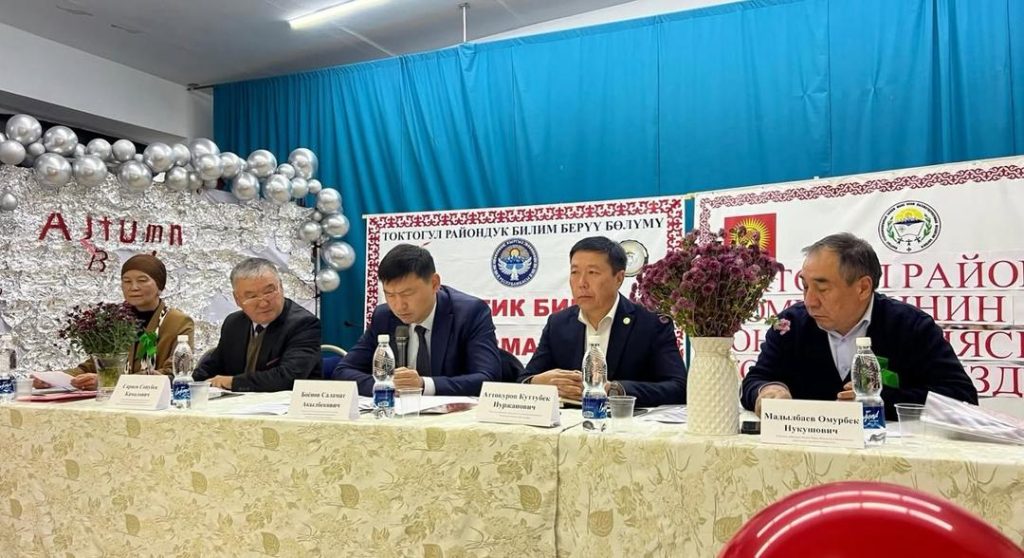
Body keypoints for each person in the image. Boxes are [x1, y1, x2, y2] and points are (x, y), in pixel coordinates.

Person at [741, 232, 978, 420]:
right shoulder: (789, 325)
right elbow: (757, 379)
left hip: (887, 454)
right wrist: (767, 391)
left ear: (863, 288)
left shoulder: (910, 326)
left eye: (822, 289)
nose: (810, 301)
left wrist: (878, 401)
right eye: (805, 287)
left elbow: (962, 397)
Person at [519, 236, 687, 407]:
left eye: (592, 273)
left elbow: (679, 388)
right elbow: (523, 380)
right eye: (575, 272)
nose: (581, 283)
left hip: (626, 421)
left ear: (619, 278)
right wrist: (539, 382)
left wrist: (614, 390)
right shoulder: (558, 324)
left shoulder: (652, 324)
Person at [333, 244, 500, 396]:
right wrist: (388, 385)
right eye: (390, 295)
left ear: (434, 283)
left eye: (407, 294)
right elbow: (343, 371)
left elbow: (488, 378)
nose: (399, 306)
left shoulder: (469, 313)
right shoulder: (384, 316)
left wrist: (423, 385)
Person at [38, 253, 195, 391]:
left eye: (142, 280)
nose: (134, 287)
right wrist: (53, 378)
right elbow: (95, 365)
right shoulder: (115, 321)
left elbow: (174, 372)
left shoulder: (177, 321)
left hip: (155, 402)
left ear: (160, 286)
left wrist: (109, 381)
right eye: (127, 281)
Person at [193, 258, 321, 391]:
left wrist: (232, 382)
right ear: (237, 299)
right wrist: (188, 382)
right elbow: (212, 367)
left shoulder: (304, 324)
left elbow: (288, 377)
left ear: (281, 287)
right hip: (236, 401)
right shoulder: (234, 323)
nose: (263, 303)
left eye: (269, 292)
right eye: (252, 297)